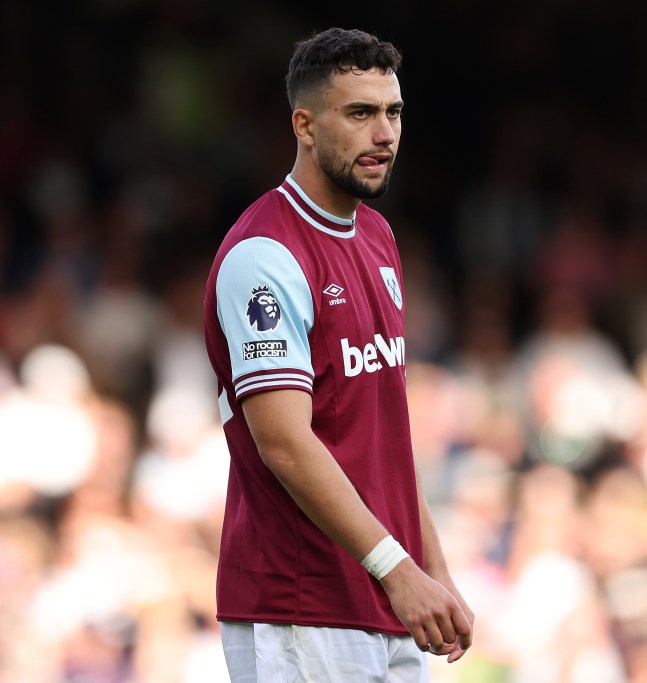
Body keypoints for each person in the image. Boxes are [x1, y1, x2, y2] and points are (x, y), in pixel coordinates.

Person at [203, 27, 473, 682]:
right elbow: (286, 443)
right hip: (302, 604)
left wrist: (430, 568)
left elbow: (381, 431)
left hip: (382, 595)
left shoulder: (376, 236)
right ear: (304, 123)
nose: (383, 134)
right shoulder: (263, 256)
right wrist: (399, 569)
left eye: (393, 113)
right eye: (359, 113)